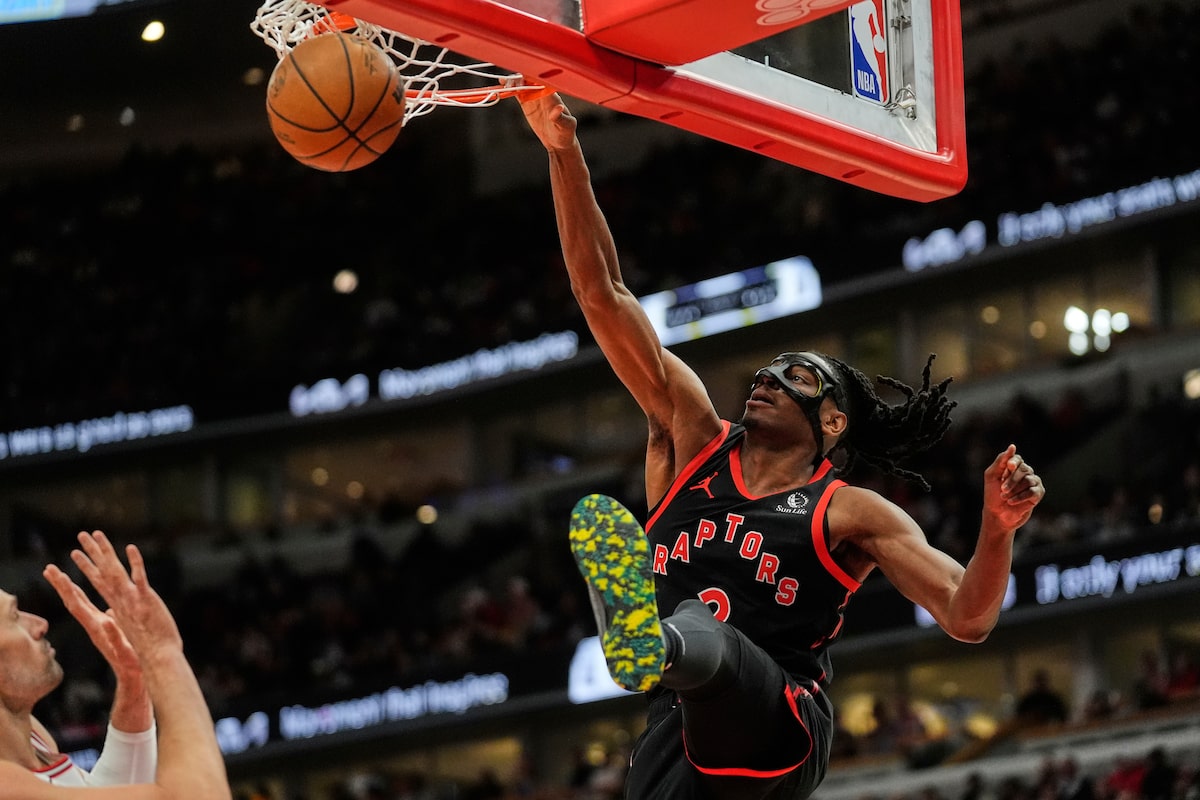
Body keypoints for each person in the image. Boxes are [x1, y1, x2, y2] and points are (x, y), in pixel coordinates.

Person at [519, 90, 1045, 800]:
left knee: (708, 637)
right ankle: (657, 648)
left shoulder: (848, 511)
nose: (766, 379)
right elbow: (602, 292)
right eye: (767, 371)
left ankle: (655, 641)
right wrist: (563, 151)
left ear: (833, 422)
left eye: (795, 377)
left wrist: (998, 527)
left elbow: (967, 616)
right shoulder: (694, 441)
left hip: (781, 721)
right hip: (675, 734)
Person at [0, 529, 231, 800]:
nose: (40, 624)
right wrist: (162, 656)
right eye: (14, 616)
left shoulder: (30, 736)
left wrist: (134, 682)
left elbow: (93, 793)